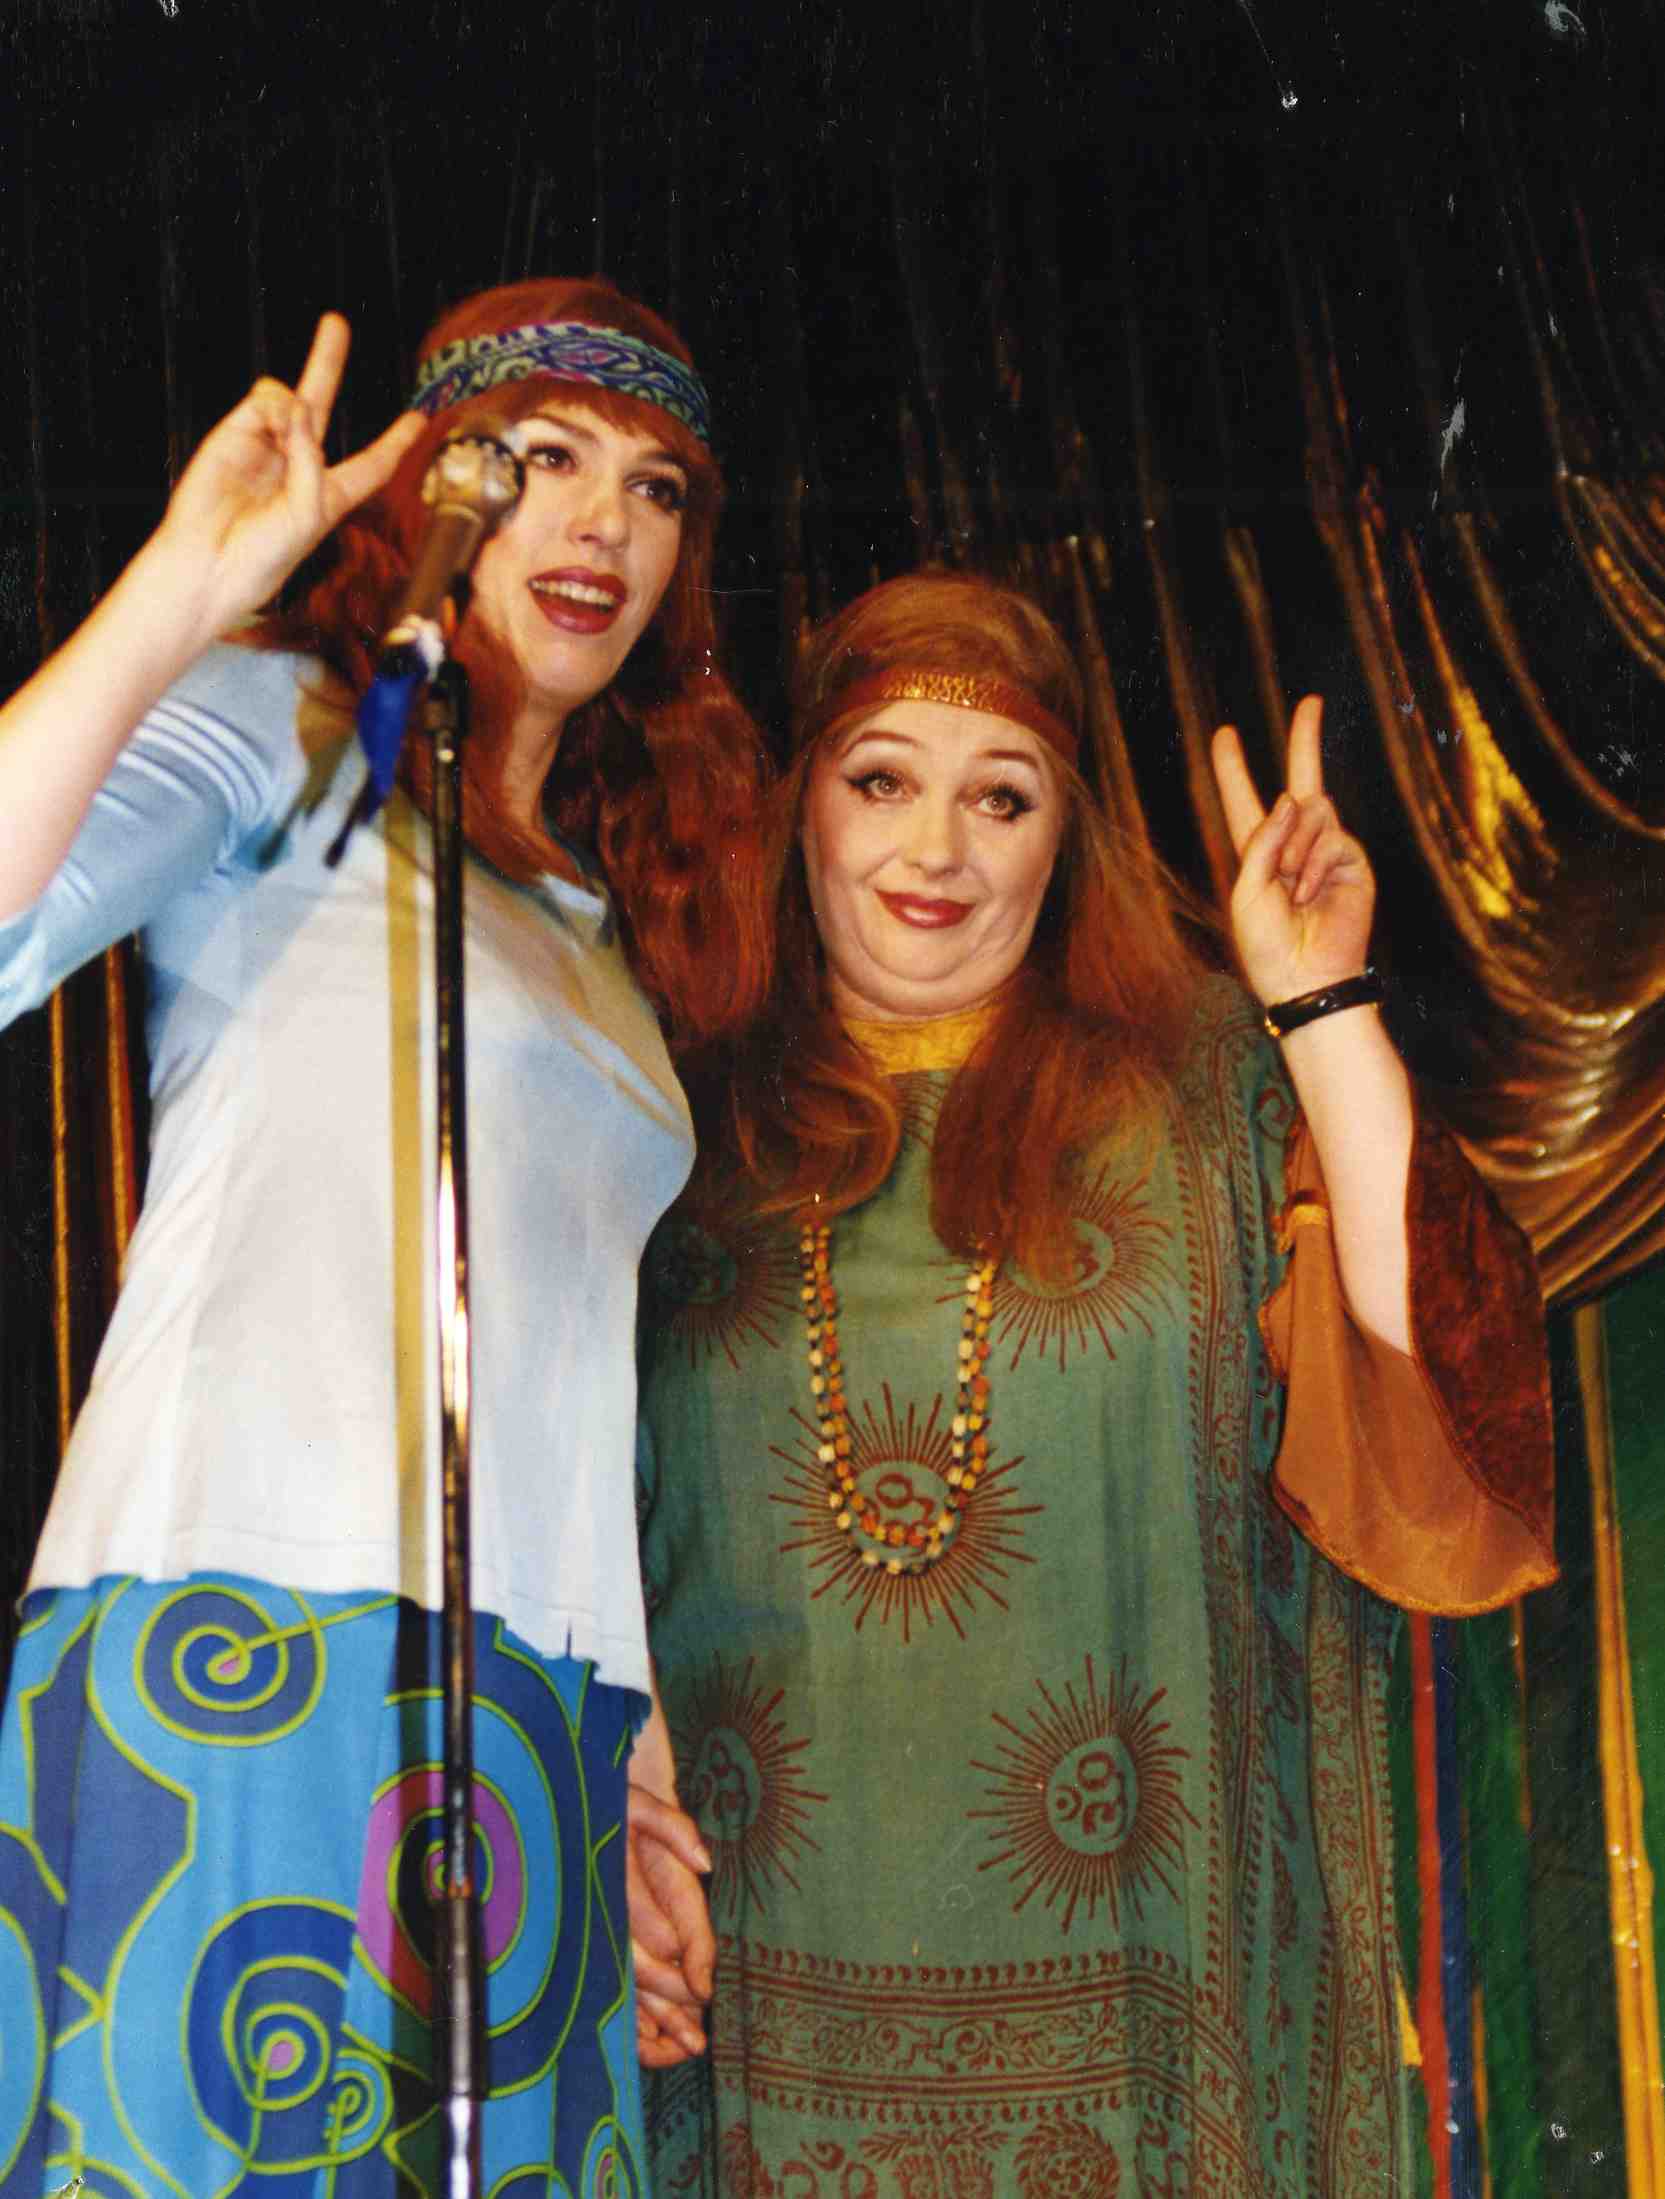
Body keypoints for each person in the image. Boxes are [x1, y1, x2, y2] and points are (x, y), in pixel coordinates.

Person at [630, 571, 1555, 2196]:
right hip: (746, 1992)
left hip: (1164, 2033)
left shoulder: (1205, 1091)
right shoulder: (663, 1127)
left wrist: (1317, 1003)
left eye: (1000, 798)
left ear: (1063, 837)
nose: (936, 849)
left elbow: (1447, 1400)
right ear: (801, 812)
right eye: (881, 782)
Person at [0, 278, 754, 2194]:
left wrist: (633, 1759)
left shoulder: (599, 932)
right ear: (435, 491)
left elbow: (568, 1367)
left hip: (534, 1696)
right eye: (545, 458)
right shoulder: (292, 728)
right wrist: (185, 589)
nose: (603, 523)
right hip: (250, 1630)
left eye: (656, 486)